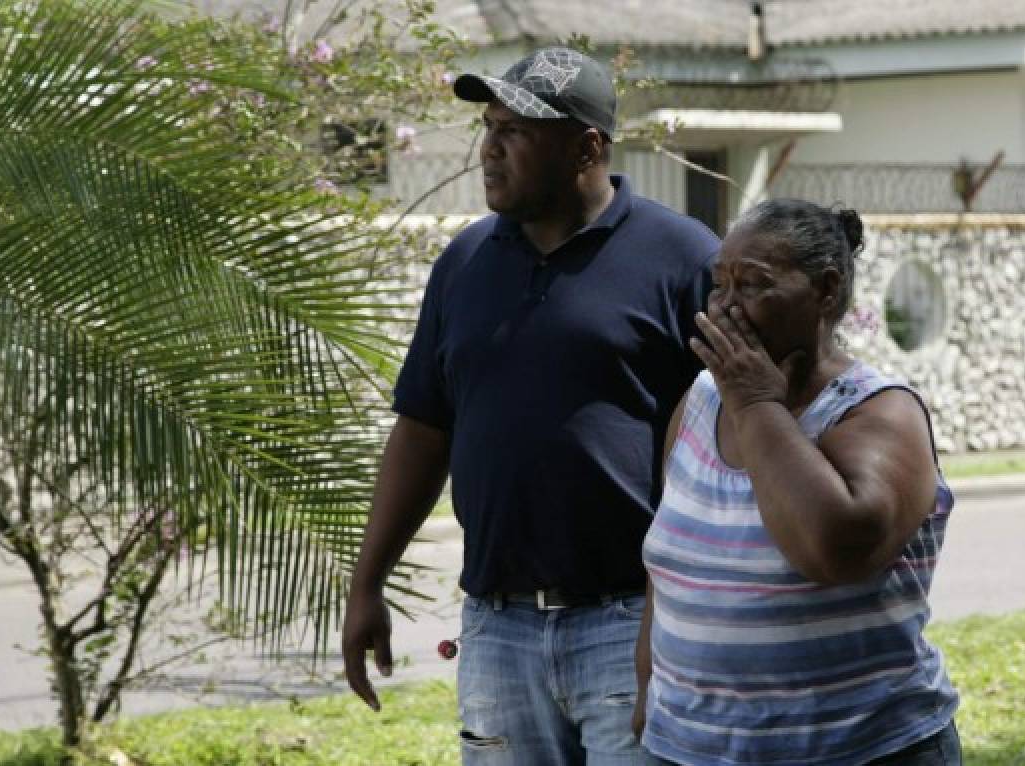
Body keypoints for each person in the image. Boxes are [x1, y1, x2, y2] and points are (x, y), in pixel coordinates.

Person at [341, 46, 720, 763]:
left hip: (634, 621)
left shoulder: (684, 259)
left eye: (516, 131)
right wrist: (367, 584)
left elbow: (734, 437)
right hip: (497, 629)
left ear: (587, 147)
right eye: (489, 127)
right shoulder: (464, 263)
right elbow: (424, 428)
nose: (490, 149)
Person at [634, 199, 962, 765]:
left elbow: (832, 550)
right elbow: (665, 574)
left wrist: (757, 402)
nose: (728, 308)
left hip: (861, 748)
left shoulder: (880, 412)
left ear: (825, 290)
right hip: (687, 748)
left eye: (755, 285)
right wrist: (648, 697)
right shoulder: (700, 401)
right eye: (720, 285)